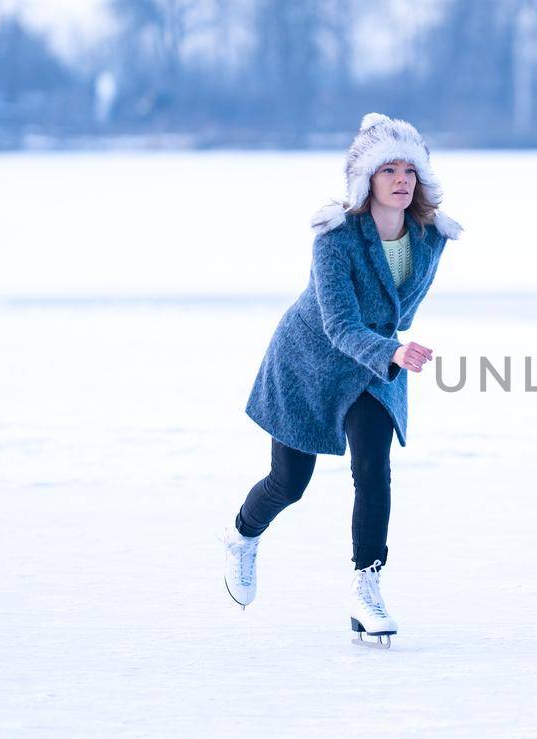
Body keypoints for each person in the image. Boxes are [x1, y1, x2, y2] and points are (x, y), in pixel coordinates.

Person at [219, 113, 462, 648]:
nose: (402, 180)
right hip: (311, 359)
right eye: (389, 170)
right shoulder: (334, 238)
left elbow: (400, 309)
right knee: (289, 483)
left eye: (410, 171)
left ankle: (366, 585)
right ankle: (242, 535)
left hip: (378, 365)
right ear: (366, 180)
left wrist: (392, 353)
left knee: (374, 465)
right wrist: (394, 349)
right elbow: (338, 324)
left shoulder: (429, 239)